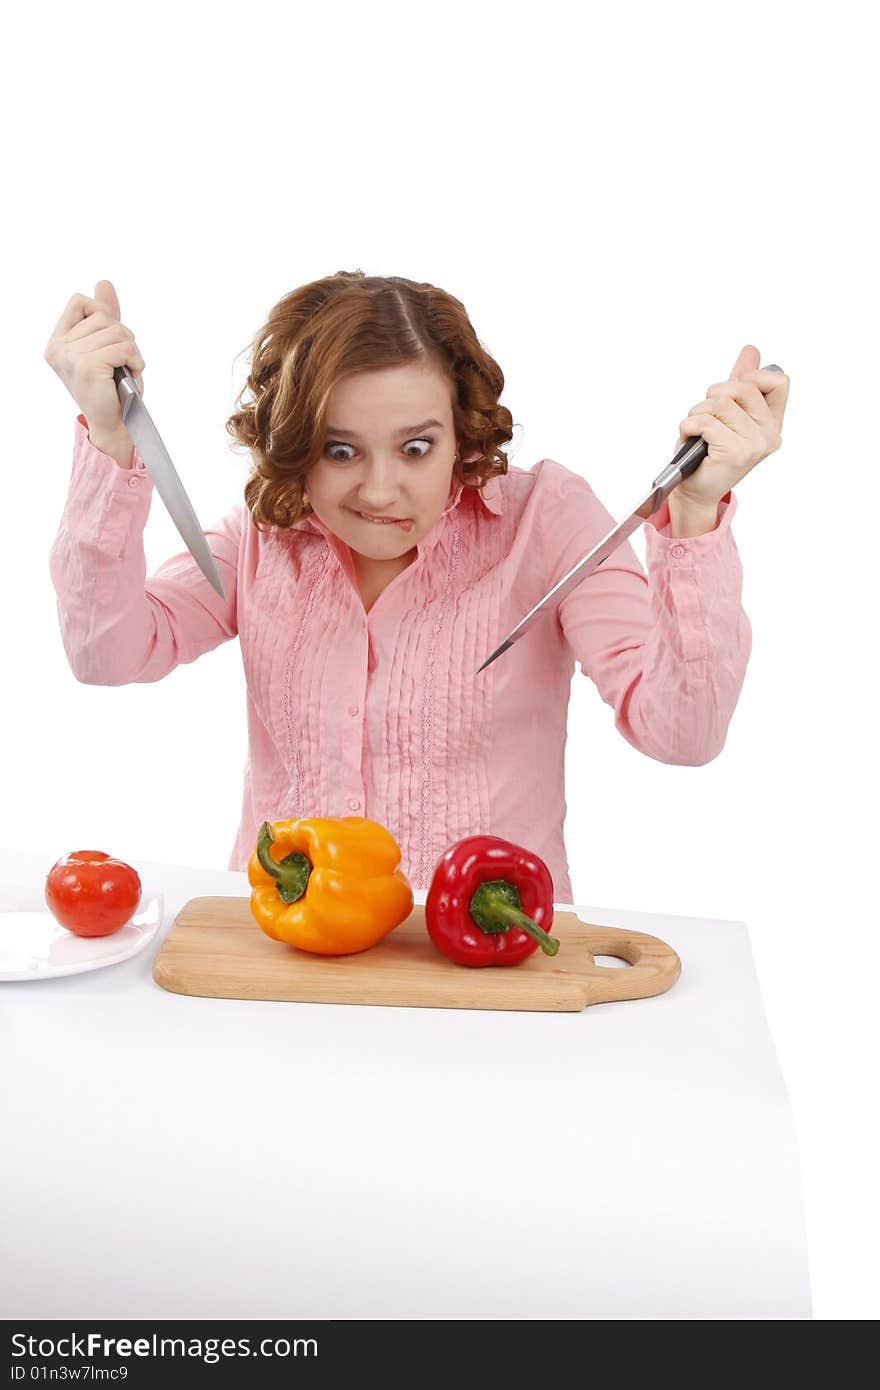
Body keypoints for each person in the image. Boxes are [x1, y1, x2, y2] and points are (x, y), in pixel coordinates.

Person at [44, 271, 789, 901]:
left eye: (416, 448)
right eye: (340, 449)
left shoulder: (547, 522)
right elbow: (106, 653)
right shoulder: (265, 534)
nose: (380, 490)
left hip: (485, 961)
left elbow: (682, 734)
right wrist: (112, 436)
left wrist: (692, 515)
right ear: (297, 443)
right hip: (284, 950)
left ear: (462, 431)